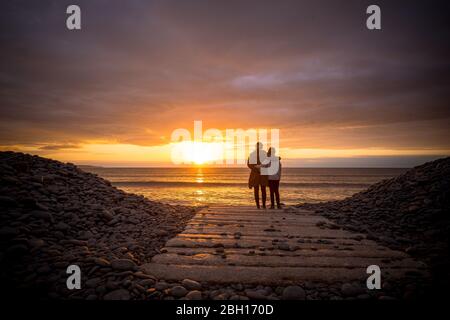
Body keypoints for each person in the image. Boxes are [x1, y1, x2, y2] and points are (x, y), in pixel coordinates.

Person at [247, 142, 268, 209]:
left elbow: (268, 162)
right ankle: (259, 205)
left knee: (262, 189)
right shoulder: (253, 154)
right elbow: (249, 164)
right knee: (258, 189)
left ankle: (262, 205)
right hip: (256, 174)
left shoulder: (264, 153)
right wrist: (256, 168)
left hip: (260, 173)